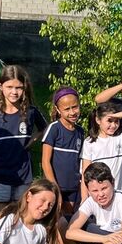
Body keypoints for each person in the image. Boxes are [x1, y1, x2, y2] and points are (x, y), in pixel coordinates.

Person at [0, 65, 45, 214]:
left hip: (23, 179)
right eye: (9, 87)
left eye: (19, 88)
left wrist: (33, 140)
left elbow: (46, 128)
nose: (14, 92)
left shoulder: (30, 111)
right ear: (0, 86)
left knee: (20, 222)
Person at [80, 103, 122, 196]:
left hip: (118, 194)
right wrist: (84, 198)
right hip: (98, 196)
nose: (113, 125)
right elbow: (85, 173)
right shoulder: (89, 142)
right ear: (98, 120)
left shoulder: (121, 138)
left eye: (116, 121)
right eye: (109, 121)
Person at [41, 87, 84, 217]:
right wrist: (55, 189)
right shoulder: (54, 128)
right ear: (58, 110)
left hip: (73, 187)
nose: (72, 112)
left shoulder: (80, 131)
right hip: (56, 186)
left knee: (69, 219)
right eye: (67, 109)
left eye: (75, 107)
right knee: (55, 219)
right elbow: (45, 161)